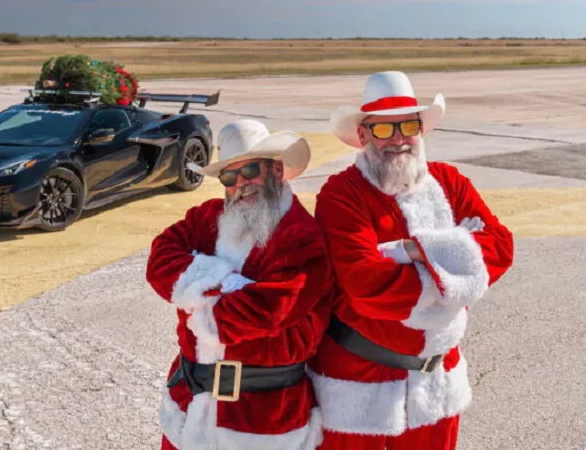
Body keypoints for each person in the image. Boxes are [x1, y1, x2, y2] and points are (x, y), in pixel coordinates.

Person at [308, 71, 514, 450]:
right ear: (364, 135)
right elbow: (365, 284)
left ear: (421, 129)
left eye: (408, 125)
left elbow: (501, 247)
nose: (399, 138)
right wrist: (455, 269)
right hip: (357, 383)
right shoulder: (341, 194)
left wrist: (413, 250)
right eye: (384, 129)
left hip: (437, 381)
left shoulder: (451, 182)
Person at [146, 119, 335, 450]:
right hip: (191, 402)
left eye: (250, 170)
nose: (240, 184)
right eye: (229, 177)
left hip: (261, 415)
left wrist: (195, 294)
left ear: (276, 169)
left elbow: (267, 311)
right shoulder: (206, 217)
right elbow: (159, 260)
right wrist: (225, 280)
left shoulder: (301, 237)